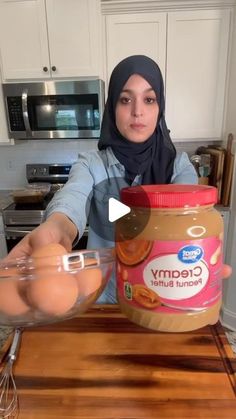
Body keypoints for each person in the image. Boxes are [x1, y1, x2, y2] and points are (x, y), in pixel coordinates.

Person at [4, 55, 231, 301]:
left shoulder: (178, 168)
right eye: (125, 99)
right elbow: (73, 197)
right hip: (105, 299)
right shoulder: (92, 164)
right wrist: (57, 229)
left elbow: (188, 219)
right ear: (112, 106)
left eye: (149, 99)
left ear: (160, 107)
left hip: (162, 300)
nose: (137, 111)